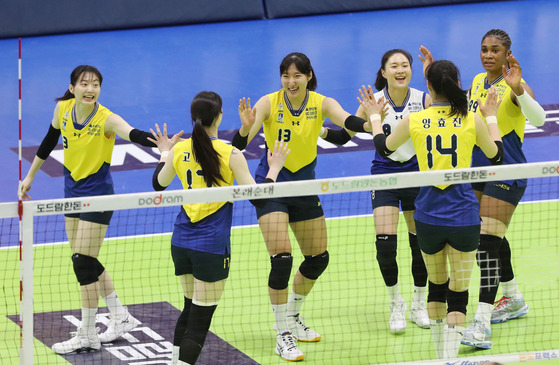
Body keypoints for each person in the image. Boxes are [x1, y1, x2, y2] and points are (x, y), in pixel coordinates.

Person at [18, 65, 181, 354]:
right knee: (86, 261)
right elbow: (48, 141)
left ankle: (87, 333)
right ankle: (120, 316)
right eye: (84, 84)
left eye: (95, 84)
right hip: (72, 193)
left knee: (82, 262)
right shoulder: (63, 110)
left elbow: (133, 134)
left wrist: (160, 145)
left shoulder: (106, 119)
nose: (90, 89)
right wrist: (30, 176)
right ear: (73, 88)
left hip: (98, 197)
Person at [358, 54, 504, 359]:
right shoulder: (470, 118)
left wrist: (374, 117)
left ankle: (441, 357)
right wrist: (490, 115)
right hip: (464, 216)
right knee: (458, 295)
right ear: (458, 85)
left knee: (436, 288)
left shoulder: (415, 120)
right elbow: (497, 157)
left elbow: (384, 148)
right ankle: (449, 358)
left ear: (428, 86)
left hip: (427, 216)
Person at [232, 52, 371, 361]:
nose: (291, 81)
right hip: (274, 186)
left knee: (318, 258)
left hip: (305, 187)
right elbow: (238, 147)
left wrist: (373, 123)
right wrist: (245, 129)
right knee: (281, 259)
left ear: (309, 76)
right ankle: (281, 331)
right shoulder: (269, 103)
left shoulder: (321, 103)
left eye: (297, 75)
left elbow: (344, 124)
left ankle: (292, 316)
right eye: (286, 75)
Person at [150, 91, 289, 365]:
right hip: (211, 248)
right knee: (199, 322)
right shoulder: (231, 154)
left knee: (189, 309)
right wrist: (274, 169)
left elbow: (158, 184)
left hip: (181, 244)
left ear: (193, 118)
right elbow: (257, 196)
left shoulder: (179, 150)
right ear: (220, 116)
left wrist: (165, 152)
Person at [325, 49, 432, 333]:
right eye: (393, 66)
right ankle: (395, 303)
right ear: (383, 72)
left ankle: (419, 303)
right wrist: (319, 131)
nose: (400, 70)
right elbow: (340, 137)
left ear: (412, 70)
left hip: (415, 174)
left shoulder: (424, 99)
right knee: (385, 245)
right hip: (384, 176)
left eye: (405, 65)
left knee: (419, 244)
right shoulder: (374, 102)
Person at [457, 29, 545, 350]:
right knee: (491, 238)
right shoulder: (478, 81)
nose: (488, 54)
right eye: (484, 49)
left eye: (495, 50)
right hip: (478, 170)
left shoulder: (515, 86)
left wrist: (518, 90)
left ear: (508, 53)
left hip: (507, 171)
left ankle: (480, 323)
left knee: (486, 242)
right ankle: (513, 297)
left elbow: (539, 119)